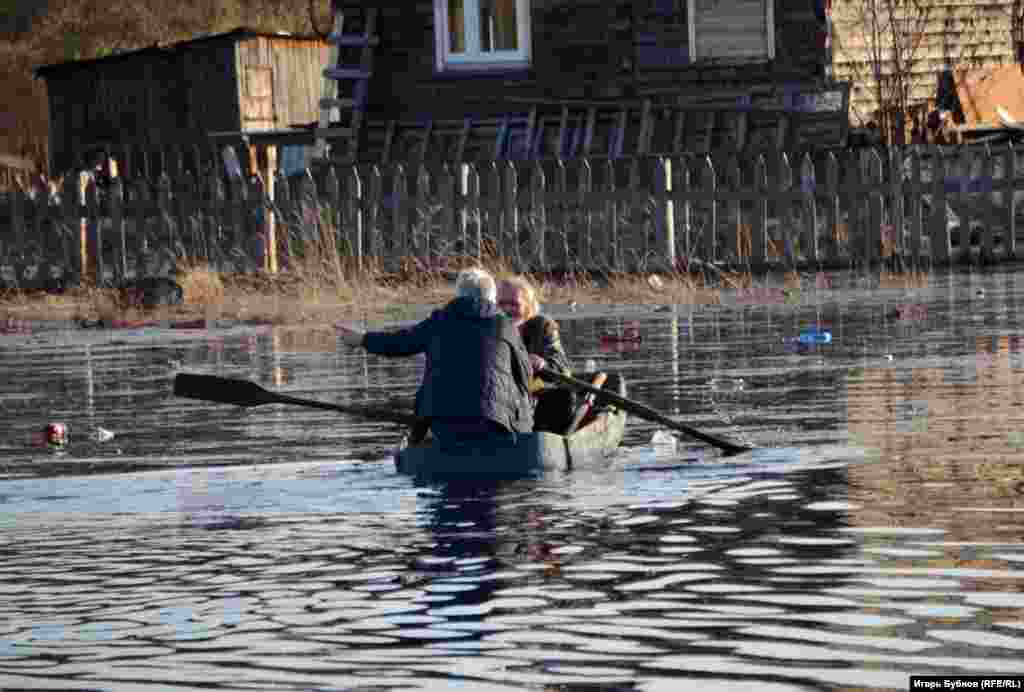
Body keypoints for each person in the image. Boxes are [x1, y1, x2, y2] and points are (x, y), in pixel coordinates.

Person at [337, 268, 534, 448]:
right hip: (495, 424)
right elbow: (525, 376)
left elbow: (399, 343)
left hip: (443, 424)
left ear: (458, 294)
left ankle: (421, 442)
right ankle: (521, 445)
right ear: (492, 297)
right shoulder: (506, 326)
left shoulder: (439, 321)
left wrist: (362, 339)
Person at [497, 276, 576, 433]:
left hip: (536, 387)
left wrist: (542, 364)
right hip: (503, 396)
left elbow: (563, 369)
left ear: (528, 306)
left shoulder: (544, 326)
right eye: (501, 303)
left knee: (564, 393)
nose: (507, 309)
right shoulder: (489, 328)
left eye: (514, 304)